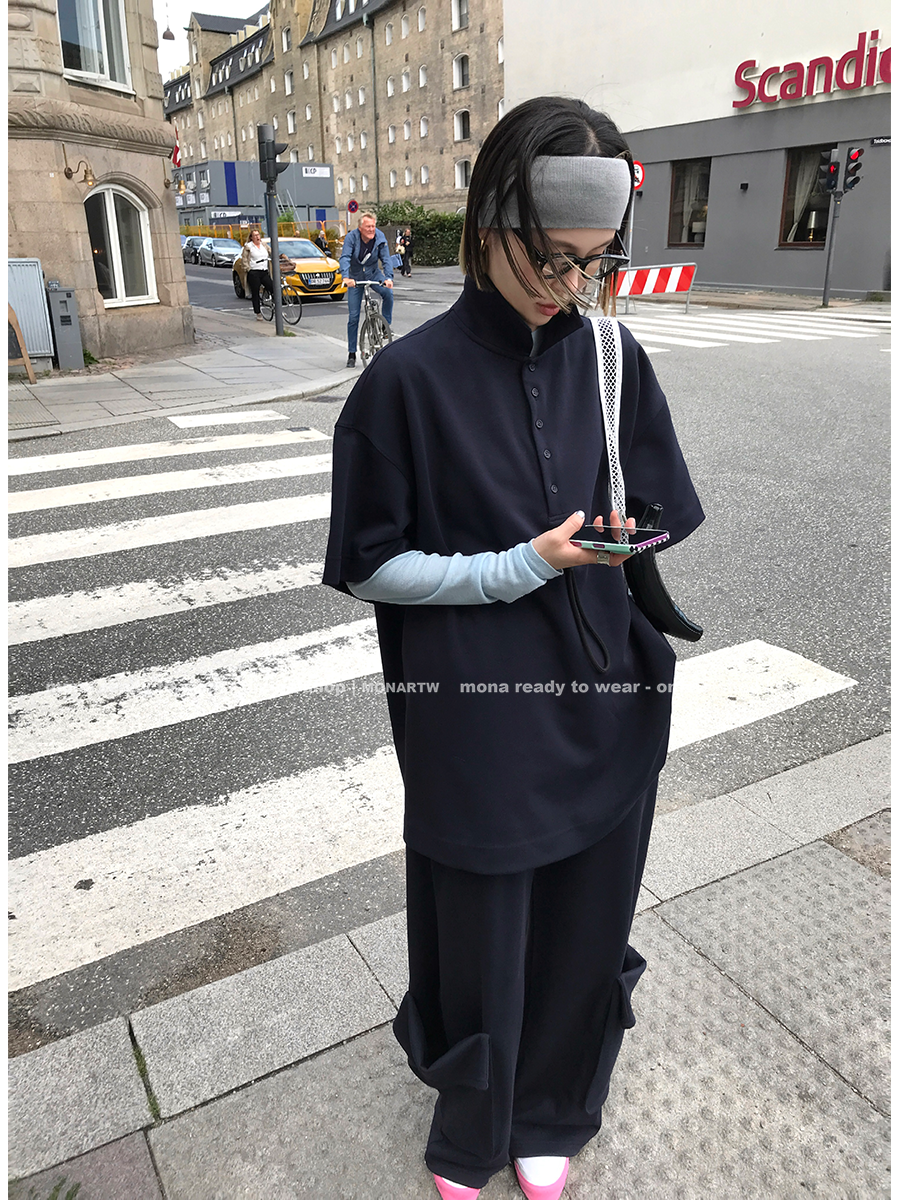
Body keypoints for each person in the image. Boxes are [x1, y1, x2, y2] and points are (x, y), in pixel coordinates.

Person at [324, 96, 704, 1200]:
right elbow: (368, 563)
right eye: (550, 257)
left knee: (588, 913)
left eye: (594, 261)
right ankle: (472, 1120)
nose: (569, 284)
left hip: (606, 692)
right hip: (474, 712)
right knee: (480, 924)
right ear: (489, 222)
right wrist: (520, 564)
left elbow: (658, 508)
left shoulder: (613, 357)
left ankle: (555, 1108)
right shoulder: (405, 383)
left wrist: (626, 535)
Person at [338, 211, 394, 367]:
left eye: (373, 226)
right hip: (355, 277)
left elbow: (386, 258)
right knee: (353, 317)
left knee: (388, 293)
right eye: (368, 227)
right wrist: (346, 277)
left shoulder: (379, 237)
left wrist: (389, 278)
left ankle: (385, 327)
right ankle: (351, 353)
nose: (371, 229)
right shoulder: (351, 238)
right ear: (360, 228)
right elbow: (345, 257)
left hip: (373, 273)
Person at [240, 229, 273, 321]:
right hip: (254, 272)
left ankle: (276, 307)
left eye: (258, 235)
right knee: (255, 292)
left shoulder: (263, 245)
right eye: (255, 235)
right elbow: (244, 260)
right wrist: (248, 269)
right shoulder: (249, 247)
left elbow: (271, 252)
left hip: (264, 270)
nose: (257, 237)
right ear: (251, 238)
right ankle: (258, 312)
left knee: (272, 287)